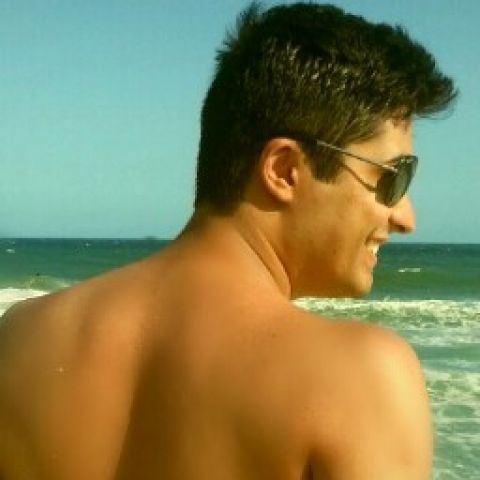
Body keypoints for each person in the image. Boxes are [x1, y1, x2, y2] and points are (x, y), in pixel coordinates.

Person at [0, 3, 456, 479]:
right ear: (284, 170)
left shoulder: (21, 337)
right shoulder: (361, 379)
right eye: (392, 179)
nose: (406, 217)